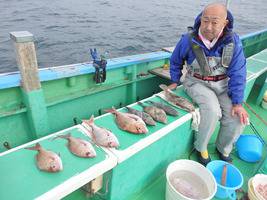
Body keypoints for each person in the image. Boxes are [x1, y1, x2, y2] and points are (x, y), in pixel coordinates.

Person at [169, 3, 249, 165]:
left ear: (225, 23)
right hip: (197, 82)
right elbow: (175, 61)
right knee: (212, 111)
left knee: (237, 118)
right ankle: (201, 147)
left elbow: (238, 72)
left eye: (214, 22)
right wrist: (174, 81)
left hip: (223, 85)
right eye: (205, 21)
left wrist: (237, 102)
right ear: (200, 19)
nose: (208, 27)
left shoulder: (233, 41)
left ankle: (223, 148)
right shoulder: (188, 39)